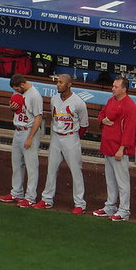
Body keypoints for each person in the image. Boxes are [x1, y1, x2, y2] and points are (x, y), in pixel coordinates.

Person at [34, 74, 88, 213]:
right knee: (51, 169)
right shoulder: (54, 99)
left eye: (61, 82)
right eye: (57, 82)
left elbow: (83, 125)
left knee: (76, 171)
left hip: (71, 138)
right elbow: (54, 118)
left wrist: (73, 136)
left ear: (69, 85)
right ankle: (47, 200)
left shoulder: (78, 102)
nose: (58, 84)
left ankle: (80, 204)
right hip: (56, 138)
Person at [93, 77, 136, 221]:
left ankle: (124, 210)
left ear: (124, 89)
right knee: (110, 180)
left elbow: (130, 130)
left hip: (119, 149)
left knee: (122, 182)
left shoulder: (130, 106)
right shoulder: (111, 100)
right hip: (107, 145)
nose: (113, 88)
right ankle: (110, 207)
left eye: (116, 87)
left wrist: (122, 149)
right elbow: (102, 114)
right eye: (113, 86)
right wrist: (102, 120)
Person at [0, 74, 43, 207]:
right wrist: (13, 109)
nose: (16, 91)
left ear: (23, 84)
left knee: (31, 166)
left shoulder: (35, 95)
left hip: (29, 131)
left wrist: (30, 137)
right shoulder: (19, 92)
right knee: (17, 164)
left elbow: (38, 118)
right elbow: (19, 110)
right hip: (18, 131)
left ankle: (30, 197)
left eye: (17, 89)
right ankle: (17, 193)